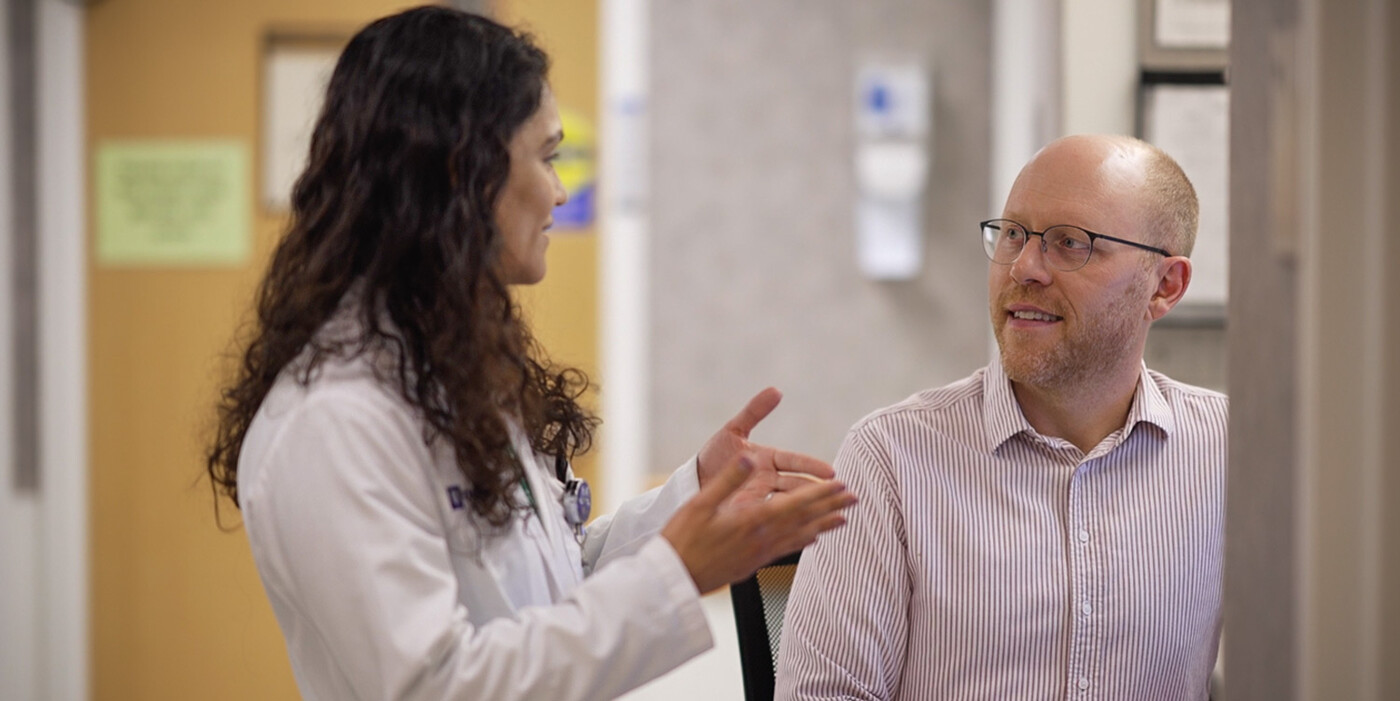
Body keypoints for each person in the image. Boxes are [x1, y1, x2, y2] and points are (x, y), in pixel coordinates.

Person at [205, 7, 855, 700]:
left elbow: (551, 592)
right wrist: (675, 570)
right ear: (464, 171)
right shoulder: (332, 420)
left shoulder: (445, 374)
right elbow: (442, 685)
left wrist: (693, 496)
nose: (560, 191)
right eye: (546, 157)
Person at [775, 134, 1226, 700]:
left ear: (1165, 286)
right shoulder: (891, 457)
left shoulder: (1228, 450)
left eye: (1070, 243)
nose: (1024, 267)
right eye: (1013, 234)